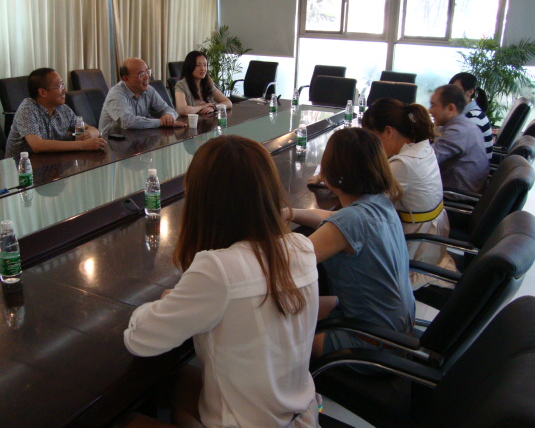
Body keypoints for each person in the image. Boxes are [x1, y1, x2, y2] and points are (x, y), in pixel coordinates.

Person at [124, 135, 320, 428]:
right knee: (178, 382)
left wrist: (162, 303)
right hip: (300, 416)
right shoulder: (302, 247)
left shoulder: (218, 269)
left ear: (203, 202)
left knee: (127, 420)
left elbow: (139, 339)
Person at [288, 128, 414, 360]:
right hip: (396, 328)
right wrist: (290, 213)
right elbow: (333, 218)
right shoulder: (379, 201)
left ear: (331, 174)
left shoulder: (351, 221)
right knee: (296, 306)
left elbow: (286, 264)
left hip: (370, 341)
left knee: (279, 336)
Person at [362, 99, 456, 290]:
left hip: (416, 251)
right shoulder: (422, 148)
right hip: (430, 240)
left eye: (371, 137)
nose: (370, 144)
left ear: (388, 132)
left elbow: (365, 203)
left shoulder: (403, 164)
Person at [5, 68, 106, 159]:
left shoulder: (63, 109)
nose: (64, 90)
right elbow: (37, 145)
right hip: (21, 168)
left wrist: (91, 133)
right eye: (59, 86)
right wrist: (82, 145)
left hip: (50, 164)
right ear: (42, 92)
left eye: (63, 85)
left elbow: (90, 129)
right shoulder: (27, 109)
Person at [98, 58, 184, 134]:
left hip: (137, 139)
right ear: (126, 79)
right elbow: (128, 122)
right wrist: (161, 122)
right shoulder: (116, 94)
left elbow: (168, 109)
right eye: (141, 74)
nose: (147, 77)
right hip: (112, 142)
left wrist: (169, 116)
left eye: (148, 72)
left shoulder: (149, 90)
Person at [429, 84, 489, 194]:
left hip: (455, 194)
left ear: (450, 109)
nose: (429, 111)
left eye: (433, 105)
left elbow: (426, 160)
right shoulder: (464, 124)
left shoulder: (459, 131)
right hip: (459, 188)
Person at [449, 72, 493, 160]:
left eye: (456, 89)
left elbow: (452, 148)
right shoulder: (468, 113)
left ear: (470, 92)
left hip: (471, 166)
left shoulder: (474, 118)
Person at [174, 50, 232, 115]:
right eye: (198, 65)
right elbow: (182, 110)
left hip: (208, 119)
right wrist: (203, 106)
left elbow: (228, 102)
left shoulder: (208, 82)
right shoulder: (181, 85)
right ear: (190, 67)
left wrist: (214, 107)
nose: (203, 69)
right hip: (190, 121)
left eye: (205, 65)